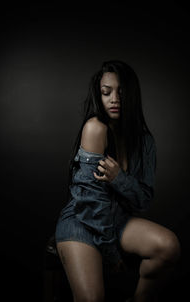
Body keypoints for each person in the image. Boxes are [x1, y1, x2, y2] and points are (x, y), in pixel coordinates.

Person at [55, 60, 181, 302]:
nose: (114, 99)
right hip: (81, 220)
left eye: (121, 92)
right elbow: (90, 202)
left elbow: (143, 200)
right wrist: (111, 254)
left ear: (132, 95)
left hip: (118, 220)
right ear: (99, 95)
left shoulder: (145, 141)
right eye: (106, 92)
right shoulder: (95, 128)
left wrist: (119, 178)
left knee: (169, 247)